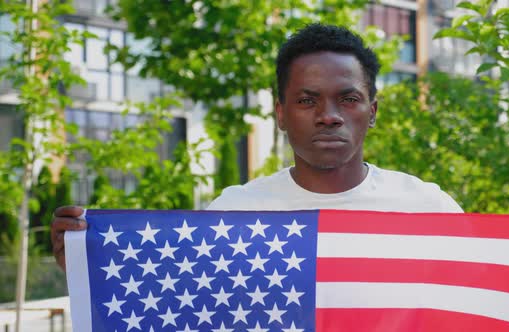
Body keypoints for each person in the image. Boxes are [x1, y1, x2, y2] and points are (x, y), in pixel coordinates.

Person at [50, 23, 462, 271]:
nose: (328, 115)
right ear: (280, 114)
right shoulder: (231, 213)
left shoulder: (428, 207)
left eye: (349, 99)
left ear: (372, 112)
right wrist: (92, 269)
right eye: (307, 100)